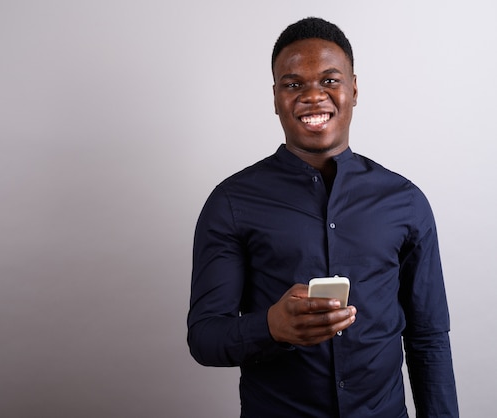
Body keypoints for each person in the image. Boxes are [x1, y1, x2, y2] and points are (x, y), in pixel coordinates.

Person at [187, 17, 458, 417]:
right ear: (276, 97)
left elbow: (428, 337)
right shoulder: (231, 201)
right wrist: (271, 327)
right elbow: (205, 337)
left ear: (354, 89)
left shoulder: (405, 200)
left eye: (330, 80)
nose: (313, 95)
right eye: (293, 84)